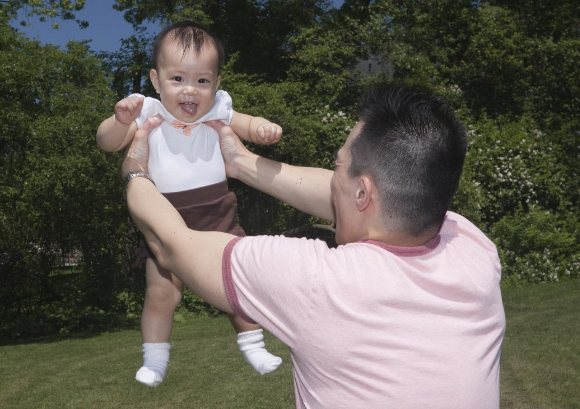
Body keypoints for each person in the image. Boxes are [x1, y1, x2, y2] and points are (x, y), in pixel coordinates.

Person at [121, 85, 506, 408]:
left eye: (337, 167)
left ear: (363, 191)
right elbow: (373, 202)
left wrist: (136, 171)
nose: (331, 178)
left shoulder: (318, 281)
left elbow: (172, 243)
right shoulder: (473, 247)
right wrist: (240, 162)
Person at [96, 21, 283, 387]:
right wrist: (119, 121)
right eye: (178, 78)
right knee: (162, 293)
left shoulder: (217, 110)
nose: (190, 90)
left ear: (215, 83)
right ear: (155, 79)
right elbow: (108, 143)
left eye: (202, 81)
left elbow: (244, 124)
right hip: (164, 215)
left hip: (217, 210)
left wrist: (261, 127)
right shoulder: (148, 112)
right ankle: (154, 359)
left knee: (236, 284)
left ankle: (254, 345)